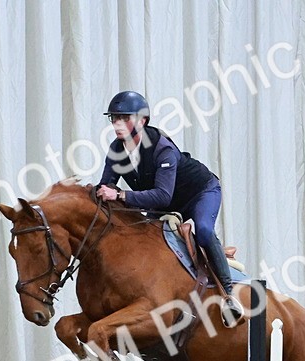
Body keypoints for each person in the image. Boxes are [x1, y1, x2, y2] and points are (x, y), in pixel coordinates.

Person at [96, 91, 244, 325]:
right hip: (167, 202)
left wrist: (121, 194)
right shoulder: (117, 150)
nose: (117, 124)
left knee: (204, 230)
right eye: (114, 118)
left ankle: (228, 295)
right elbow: (106, 186)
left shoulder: (161, 148)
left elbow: (162, 196)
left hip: (200, 193)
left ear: (142, 121)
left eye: (124, 118)